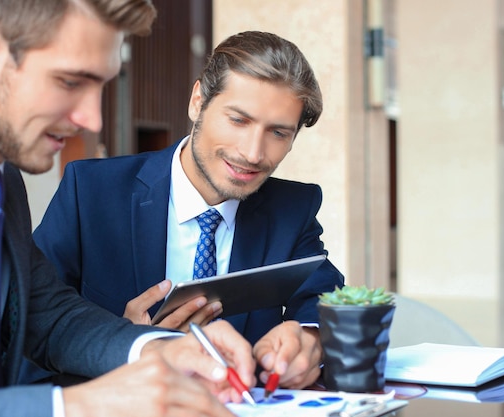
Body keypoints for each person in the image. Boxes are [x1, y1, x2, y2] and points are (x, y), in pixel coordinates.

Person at [0, 1, 261, 416]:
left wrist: (162, 350)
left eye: (100, 85)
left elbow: (46, 314)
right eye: (70, 82)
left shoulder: (1, 180)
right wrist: (75, 406)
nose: (92, 119)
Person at [32, 30, 345, 390]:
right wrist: (125, 345)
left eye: (278, 132)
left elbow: (326, 295)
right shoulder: (90, 192)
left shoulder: (292, 209)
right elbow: (29, 323)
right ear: (198, 101)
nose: (253, 153)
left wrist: (310, 338)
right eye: (239, 120)